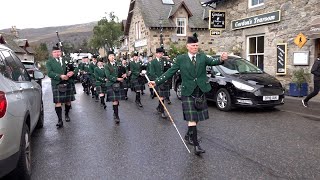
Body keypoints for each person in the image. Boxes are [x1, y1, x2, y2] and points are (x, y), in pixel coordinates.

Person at [148, 33, 228, 155]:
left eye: (196, 45)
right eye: (193, 45)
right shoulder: (181, 59)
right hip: (188, 92)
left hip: (200, 90)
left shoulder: (203, 57)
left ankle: (189, 135)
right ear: (187, 46)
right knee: (192, 118)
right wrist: (156, 81)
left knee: (197, 119)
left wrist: (222, 59)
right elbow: (169, 72)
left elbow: (214, 61)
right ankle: (196, 145)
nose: (195, 47)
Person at [46, 46, 77, 128]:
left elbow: (76, 68)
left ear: (61, 52)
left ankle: (66, 114)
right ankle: (60, 120)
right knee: (58, 102)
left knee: (68, 101)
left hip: (68, 82)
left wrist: (72, 72)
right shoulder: (49, 62)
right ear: (52, 53)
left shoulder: (66, 60)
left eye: (58, 51)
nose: (57, 53)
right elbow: (49, 73)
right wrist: (60, 76)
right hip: (57, 83)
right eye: (55, 52)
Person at [105, 51, 127, 124]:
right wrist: (117, 79)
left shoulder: (118, 64)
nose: (112, 57)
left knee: (117, 100)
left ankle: (115, 112)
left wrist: (125, 74)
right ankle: (116, 116)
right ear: (108, 57)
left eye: (113, 55)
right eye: (110, 56)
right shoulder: (107, 65)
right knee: (115, 100)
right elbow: (108, 76)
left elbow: (124, 70)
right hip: (111, 84)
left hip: (118, 84)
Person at [149, 48, 169, 118]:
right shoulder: (153, 62)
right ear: (156, 54)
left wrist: (165, 77)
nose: (161, 55)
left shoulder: (163, 61)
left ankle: (159, 107)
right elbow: (152, 73)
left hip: (163, 80)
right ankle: (162, 111)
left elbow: (166, 70)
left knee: (162, 96)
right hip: (157, 81)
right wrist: (157, 79)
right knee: (161, 97)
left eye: (162, 53)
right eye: (160, 53)